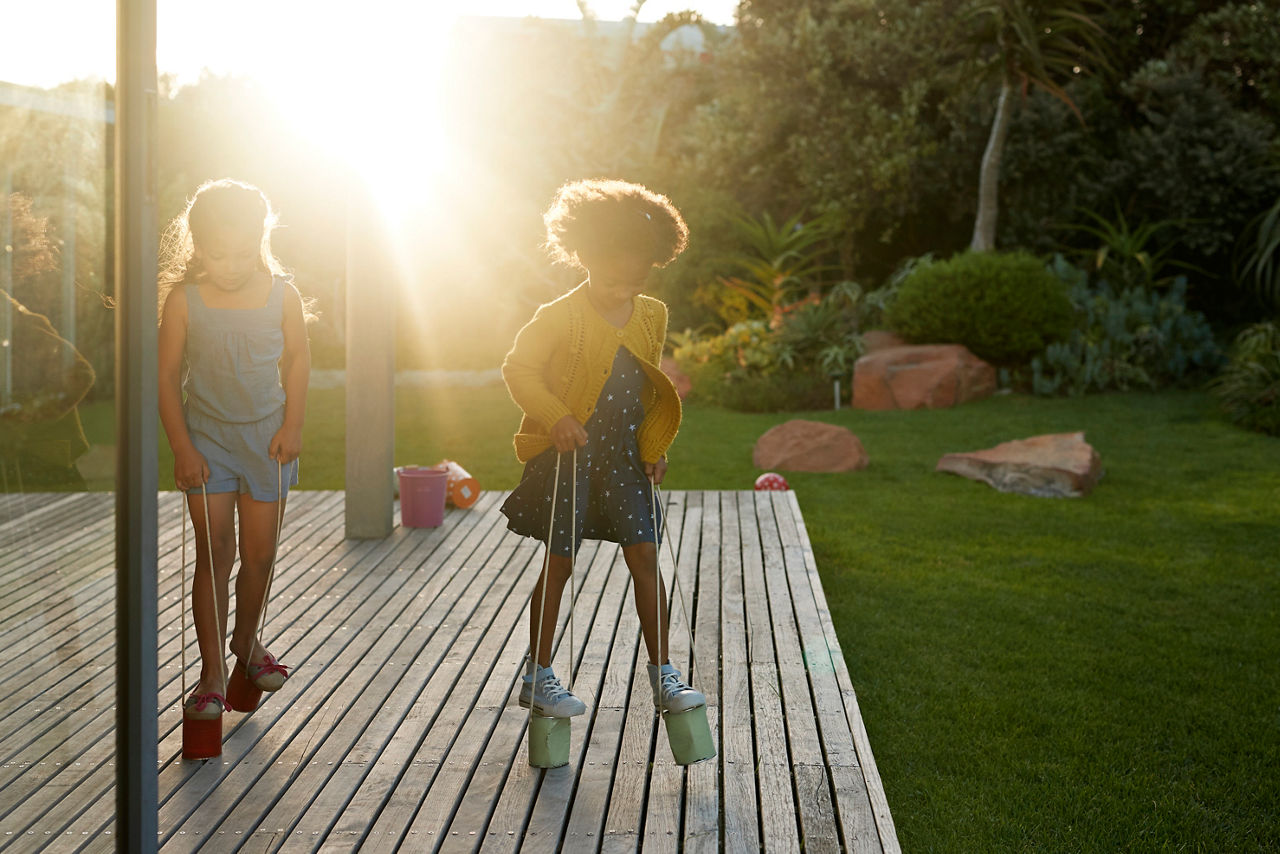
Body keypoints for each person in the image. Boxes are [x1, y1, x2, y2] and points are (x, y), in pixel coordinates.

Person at [501, 178, 705, 718]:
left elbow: (644, 385)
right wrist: (557, 416)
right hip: (568, 458)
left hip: (620, 458)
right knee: (561, 562)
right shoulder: (558, 316)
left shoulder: (651, 315)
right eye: (616, 278)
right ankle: (539, 674)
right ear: (586, 255)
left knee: (645, 556)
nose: (626, 289)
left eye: (637, 278)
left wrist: (653, 445)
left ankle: (664, 674)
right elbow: (517, 369)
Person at [158, 179, 310, 725]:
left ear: (261, 239)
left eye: (243, 252)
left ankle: (246, 643)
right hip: (208, 442)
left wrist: (293, 425)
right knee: (215, 553)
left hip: (267, 440)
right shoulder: (185, 300)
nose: (230, 264)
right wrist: (182, 446)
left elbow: (297, 361)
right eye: (217, 253)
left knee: (261, 555)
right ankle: (212, 675)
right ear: (196, 246)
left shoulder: (281, 293)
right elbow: (168, 376)